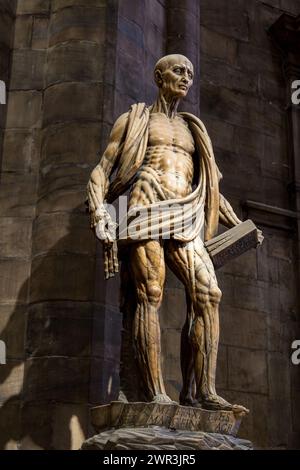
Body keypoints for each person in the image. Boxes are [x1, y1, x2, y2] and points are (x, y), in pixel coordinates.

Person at [87, 54, 252, 411]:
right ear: (159, 77)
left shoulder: (194, 129)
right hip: (146, 206)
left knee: (209, 294)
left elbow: (209, 188)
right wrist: (100, 210)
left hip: (187, 212)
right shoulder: (135, 121)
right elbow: (102, 169)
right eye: (179, 71)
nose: (186, 79)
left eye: (191, 74)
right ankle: (154, 394)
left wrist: (237, 224)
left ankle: (204, 392)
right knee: (151, 292)